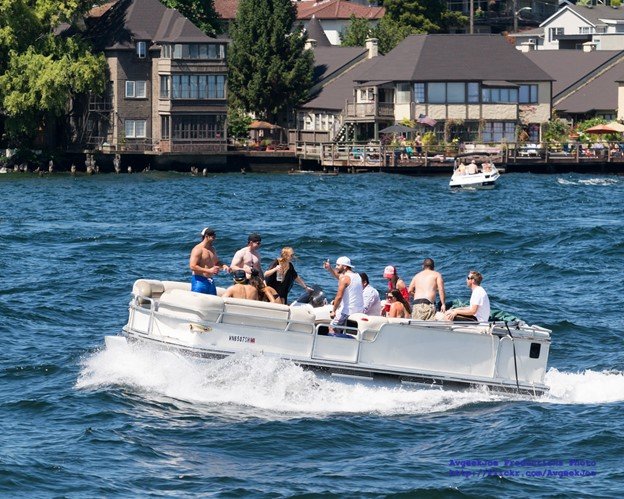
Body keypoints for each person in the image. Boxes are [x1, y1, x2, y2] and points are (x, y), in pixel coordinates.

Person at [324, 256, 364, 334]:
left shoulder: (344, 278)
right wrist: (329, 268)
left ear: (345, 267)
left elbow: (339, 297)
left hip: (347, 311)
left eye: (338, 265)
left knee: (332, 328)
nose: (336, 267)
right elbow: (339, 277)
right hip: (358, 310)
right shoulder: (357, 276)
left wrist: (333, 311)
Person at [189, 227, 229, 295]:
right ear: (206, 236)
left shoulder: (212, 249)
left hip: (210, 281)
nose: (214, 238)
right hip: (199, 281)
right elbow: (192, 266)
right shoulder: (198, 249)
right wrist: (209, 270)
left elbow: (216, 262)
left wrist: (224, 266)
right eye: (213, 237)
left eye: (215, 236)